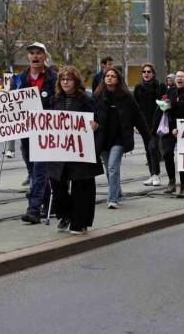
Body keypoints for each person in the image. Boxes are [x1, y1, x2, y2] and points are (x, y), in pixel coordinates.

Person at [48, 66, 103, 235]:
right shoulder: (54, 100)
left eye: (69, 79)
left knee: (82, 186)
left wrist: (95, 126)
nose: (65, 82)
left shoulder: (87, 100)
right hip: (59, 151)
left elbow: (97, 122)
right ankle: (66, 215)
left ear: (76, 82)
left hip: (80, 151)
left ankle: (80, 222)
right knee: (58, 185)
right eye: (63, 79)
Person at [94, 67, 150, 209]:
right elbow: (90, 114)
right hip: (103, 138)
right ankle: (118, 191)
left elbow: (138, 117)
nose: (110, 78)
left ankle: (112, 199)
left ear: (118, 79)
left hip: (120, 138)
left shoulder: (126, 97)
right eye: (107, 76)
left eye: (113, 76)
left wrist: (148, 137)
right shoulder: (98, 96)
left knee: (113, 167)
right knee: (108, 168)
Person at [16, 43, 57, 224]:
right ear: (28, 57)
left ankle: (33, 209)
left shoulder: (54, 78)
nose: (34, 56)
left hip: (46, 132)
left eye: (38, 53)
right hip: (26, 132)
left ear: (45, 56)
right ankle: (49, 203)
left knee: (40, 170)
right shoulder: (18, 79)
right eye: (31, 53)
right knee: (33, 170)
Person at [152, 70, 184, 197]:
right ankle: (171, 182)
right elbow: (164, 112)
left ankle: (183, 187)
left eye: (182, 76)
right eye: (177, 76)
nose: (179, 78)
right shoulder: (169, 92)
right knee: (167, 153)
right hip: (170, 129)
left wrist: (183, 128)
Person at [134, 63, 168, 188]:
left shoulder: (160, 86)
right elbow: (135, 108)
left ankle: (156, 174)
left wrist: (164, 104)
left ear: (153, 74)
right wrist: (135, 125)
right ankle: (152, 174)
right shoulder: (138, 88)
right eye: (144, 72)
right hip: (143, 123)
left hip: (157, 122)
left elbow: (167, 102)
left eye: (149, 71)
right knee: (148, 149)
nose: (146, 74)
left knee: (153, 147)